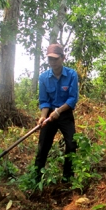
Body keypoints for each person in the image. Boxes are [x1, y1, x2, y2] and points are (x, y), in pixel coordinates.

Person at [34, 43, 79, 183]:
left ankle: (67, 177)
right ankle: (36, 178)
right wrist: (43, 117)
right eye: (50, 59)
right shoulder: (43, 78)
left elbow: (72, 99)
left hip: (64, 114)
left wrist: (58, 111)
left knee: (71, 144)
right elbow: (44, 100)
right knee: (43, 146)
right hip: (49, 116)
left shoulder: (72, 75)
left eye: (55, 59)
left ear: (62, 58)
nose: (52, 62)